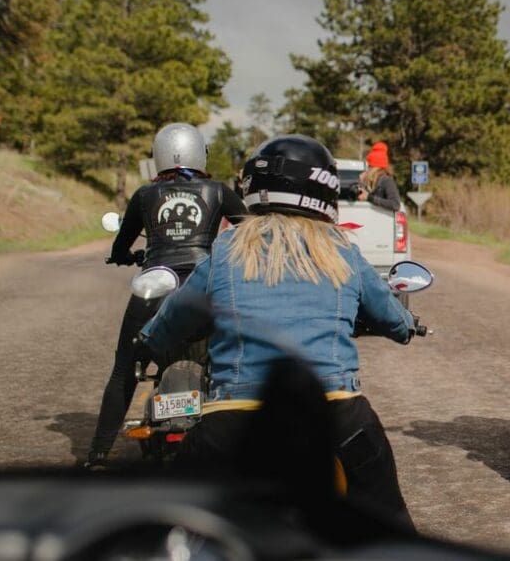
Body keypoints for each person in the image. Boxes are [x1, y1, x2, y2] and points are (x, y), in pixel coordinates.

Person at [137, 134, 418, 528]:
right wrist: (408, 326)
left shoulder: (228, 249)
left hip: (231, 419)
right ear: (325, 189)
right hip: (336, 414)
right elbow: (391, 316)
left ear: (253, 187)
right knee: (392, 528)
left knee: (178, 525)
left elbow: (174, 316)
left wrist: (149, 341)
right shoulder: (342, 252)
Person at [84, 122, 247, 469]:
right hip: (204, 286)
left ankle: (98, 453)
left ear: (159, 155)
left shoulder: (145, 195)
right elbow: (250, 230)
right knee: (234, 359)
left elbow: (121, 244)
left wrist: (125, 257)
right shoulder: (217, 190)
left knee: (124, 369)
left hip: (155, 285)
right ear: (199, 153)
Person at [358, 141, 402, 212]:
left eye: (370, 166)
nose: (368, 169)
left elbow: (395, 204)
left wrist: (369, 197)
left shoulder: (387, 181)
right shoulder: (372, 182)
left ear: (375, 168)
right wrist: (361, 182)